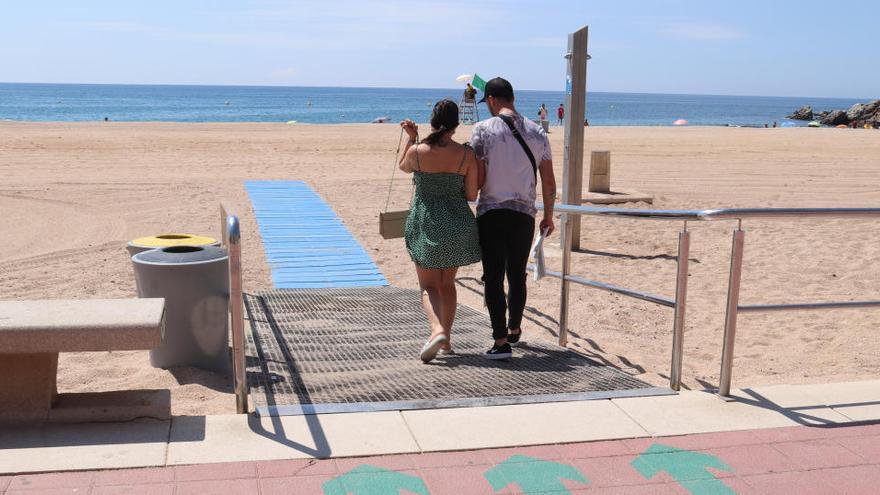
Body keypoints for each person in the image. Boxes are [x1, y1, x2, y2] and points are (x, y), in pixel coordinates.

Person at [472, 77, 556, 359]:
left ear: (493, 100)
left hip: (492, 212)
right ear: (512, 98)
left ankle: (500, 342)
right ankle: (515, 329)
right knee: (517, 274)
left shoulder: (482, 130)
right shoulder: (537, 132)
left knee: (493, 277)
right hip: (524, 214)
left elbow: (480, 176)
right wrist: (549, 216)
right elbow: (549, 182)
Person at [399, 100, 481, 363]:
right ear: (456, 125)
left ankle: (437, 330)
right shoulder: (467, 155)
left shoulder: (418, 152)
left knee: (428, 285)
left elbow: (403, 165)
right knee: (447, 283)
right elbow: (471, 194)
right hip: (457, 224)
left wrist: (411, 138)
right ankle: (446, 341)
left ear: (433, 121)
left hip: (427, 222)